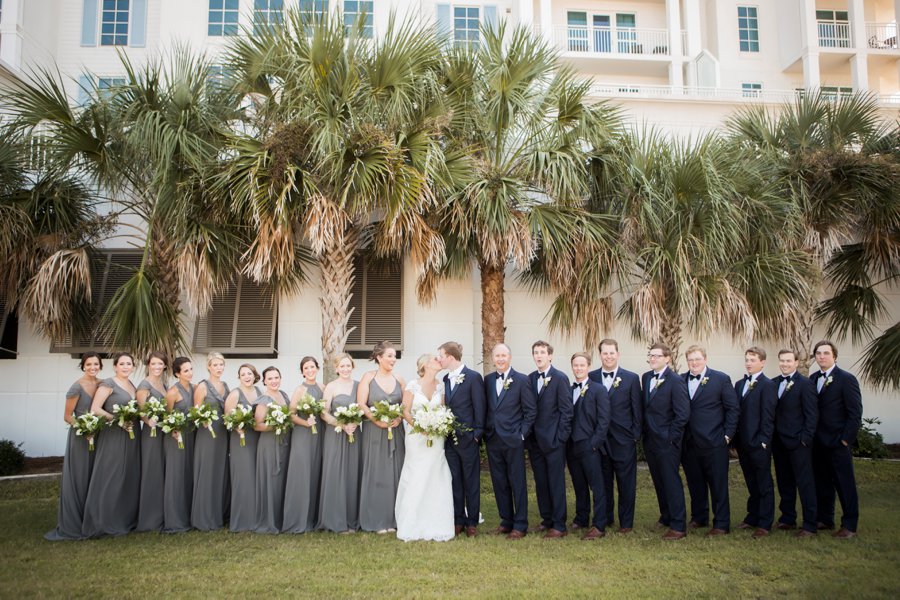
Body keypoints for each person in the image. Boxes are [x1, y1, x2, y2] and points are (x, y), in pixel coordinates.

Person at [394, 353, 455, 542]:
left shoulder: (441, 386)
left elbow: (443, 409)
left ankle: (438, 521)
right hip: (416, 437)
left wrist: (439, 424)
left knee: (436, 473)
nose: (440, 361)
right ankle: (412, 522)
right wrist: (420, 427)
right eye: (436, 360)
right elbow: (404, 411)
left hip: (436, 438)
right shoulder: (413, 385)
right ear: (426, 365)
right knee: (416, 474)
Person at [680, 345, 739, 536]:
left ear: (705, 359)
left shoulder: (720, 379)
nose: (694, 363)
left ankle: (721, 523)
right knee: (695, 482)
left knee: (718, 484)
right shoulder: (681, 379)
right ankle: (699, 517)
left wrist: (727, 435)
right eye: (690, 360)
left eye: (697, 359)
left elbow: (733, 409)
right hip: (689, 443)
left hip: (714, 442)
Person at [82, 352, 141, 538]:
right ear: (115, 366)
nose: (125, 366)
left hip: (132, 435)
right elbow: (95, 409)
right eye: (122, 364)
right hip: (114, 434)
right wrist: (117, 420)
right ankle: (101, 521)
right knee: (110, 475)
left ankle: (122, 518)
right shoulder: (108, 384)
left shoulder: (132, 385)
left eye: (129, 363)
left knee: (127, 476)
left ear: (133, 366)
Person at [45, 353, 102, 541]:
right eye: (89, 364)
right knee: (80, 476)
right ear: (83, 366)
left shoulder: (101, 384)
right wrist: (84, 429)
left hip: (99, 436)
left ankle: (93, 519)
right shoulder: (76, 387)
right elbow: (68, 416)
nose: (92, 367)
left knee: (95, 477)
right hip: (81, 437)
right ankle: (74, 522)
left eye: (96, 364)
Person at [588, 339, 642, 534]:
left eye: (612, 353)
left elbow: (637, 409)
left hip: (623, 440)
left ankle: (626, 523)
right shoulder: (591, 376)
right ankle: (606, 517)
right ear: (599, 355)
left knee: (626, 482)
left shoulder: (631, 378)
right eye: (605, 353)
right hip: (600, 441)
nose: (608, 356)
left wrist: (634, 436)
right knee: (603, 482)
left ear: (618, 354)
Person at [484, 343, 537, 540]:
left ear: (510, 357)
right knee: (499, 482)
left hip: (514, 439)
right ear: (492, 358)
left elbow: (530, 411)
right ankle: (506, 521)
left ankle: (520, 524)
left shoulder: (522, 380)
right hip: (493, 439)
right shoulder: (488, 380)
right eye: (497, 355)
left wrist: (522, 434)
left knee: (517, 482)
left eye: (503, 355)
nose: (500, 359)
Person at [810, 340, 862, 538]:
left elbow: (855, 413)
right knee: (822, 483)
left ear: (834, 356)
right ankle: (825, 518)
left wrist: (845, 440)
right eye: (818, 353)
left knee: (844, 484)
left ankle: (849, 525)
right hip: (818, 443)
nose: (821, 356)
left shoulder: (846, 379)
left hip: (838, 442)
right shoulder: (813, 379)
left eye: (825, 353)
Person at [641, 343, 690, 540]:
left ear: (667, 358)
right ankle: (666, 516)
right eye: (651, 356)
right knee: (659, 481)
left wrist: (671, 437)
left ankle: (678, 526)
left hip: (667, 442)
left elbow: (682, 414)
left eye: (657, 356)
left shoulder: (675, 381)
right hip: (650, 441)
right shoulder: (646, 378)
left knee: (671, 481)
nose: (653, 359)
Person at [437, 341, 485, 538]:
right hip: (450, 439)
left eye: (440, 355)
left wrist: (476, 434)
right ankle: (458, 520)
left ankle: (472, 521)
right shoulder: (446, 378)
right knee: (455, 481)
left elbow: (480, 406)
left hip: (468, 438)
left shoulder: (473, 377)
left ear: (450, 356)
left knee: (471, 481)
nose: (439, 359)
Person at [357, 341, 406, 533]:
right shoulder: (368, 377)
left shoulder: (400, 379)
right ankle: (375, 519)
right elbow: (362, 404)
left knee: (396, 473)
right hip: (374, 431)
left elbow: (405, 405)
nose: (393, 359)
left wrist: (399, 418)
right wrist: (377, 421)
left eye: (394, 356)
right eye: (390, 356)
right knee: (376, 473)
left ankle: (394, 519)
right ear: (379, 357)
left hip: (395, 432)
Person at [526, 341, 573, 538]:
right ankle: (546, 519)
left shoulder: (560, 378)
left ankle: (559, 524)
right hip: (535, 441)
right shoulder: (530, 378)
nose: (539, 356)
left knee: (555, 482)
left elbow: (566, 411)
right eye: (536, 352)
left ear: (550, 356)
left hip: (554, 441)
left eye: (542, 352)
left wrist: (560, 438)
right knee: (541, 481)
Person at [772, 349, 819, 537]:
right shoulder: (774, 383)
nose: (785, 364)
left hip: (799, 443)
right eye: (782, 360)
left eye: (788, 361)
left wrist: (805, 439)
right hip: (779, 442)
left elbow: (812, 414)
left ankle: (810, 524)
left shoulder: (805, 384)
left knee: (805, 483)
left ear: (797, 362)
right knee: (785, 482)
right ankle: (787, 518)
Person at [734, 346, 776, 538]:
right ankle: (753, 516)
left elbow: (768, 415)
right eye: (747, 360)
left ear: (762, 362)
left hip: (759, 443)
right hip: (743, 443)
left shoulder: (767, 385)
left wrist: (764, 440)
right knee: (751, 481)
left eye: (753, 360)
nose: (749, 363)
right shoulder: (740, 384)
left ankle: (765, 522)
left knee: (764, 482)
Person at [317, 354, 361, 533]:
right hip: (335, 434)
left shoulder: (358, 386)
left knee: (352, 472)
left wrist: (354, 423)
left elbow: (364, 408)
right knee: (335, 473)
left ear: (352, 366)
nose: (345, 369)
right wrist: (341, 424)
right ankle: (335, 520)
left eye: (348, 365)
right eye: (342, 366)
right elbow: (323, 412)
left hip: (354, 434)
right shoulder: (331, 387)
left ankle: (352, 519)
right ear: (336, 369)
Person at [569, 352, 611, 540]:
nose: (578, 368)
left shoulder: (598, 389)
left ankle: (599, 524)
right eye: (575, 365)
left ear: (588, 366)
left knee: (597, 486)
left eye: (582, 365)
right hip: (571, 446)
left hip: (590, 445)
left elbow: (604, 420)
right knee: (579, 484)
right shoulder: (570, 389)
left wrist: (594, 443)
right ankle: (581, 517)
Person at [282, 356, 325, 534]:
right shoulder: (299, 390)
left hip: (319, 434)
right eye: (306, 368)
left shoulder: (324, 388)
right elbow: (291, 414)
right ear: (302, 371)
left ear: (317, 368)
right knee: (302, 473)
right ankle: (297, 519)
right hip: (303, 434)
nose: (309, 370)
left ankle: (314, 517)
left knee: (316, 472)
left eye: (312, 367)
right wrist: (305, 423)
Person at [191, 352, 230, 531]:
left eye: (221, 365)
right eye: (215, 365)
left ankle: (218, 514)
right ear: (209, 367)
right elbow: (195, 411)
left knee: (220, 472)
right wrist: (203, 420)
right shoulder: (202, 386)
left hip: (223, 433)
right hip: (208, 433)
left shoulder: (225, 386)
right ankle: (203, 517)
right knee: (207, 471)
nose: (218, 368)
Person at [223, 363, 262, 532]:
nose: (247, 376)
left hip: (258, 438)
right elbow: (226, 418)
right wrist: (236, 426)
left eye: (250, 373)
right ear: (239, 377)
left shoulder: (260, 392)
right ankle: (242, 521)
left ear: (255, 375)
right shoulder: (235, 394)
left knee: (255, 477)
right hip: (241, 439)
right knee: (243, 477)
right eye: (243, 374)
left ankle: (256, 517)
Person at [253, 366, 292, 534]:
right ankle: (269, 521)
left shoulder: (283, 395)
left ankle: (282, 519)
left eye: (276, 377)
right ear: (264, 381)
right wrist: (275, 425)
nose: (274, 381)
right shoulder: (263, 399)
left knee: (283, 480)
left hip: (285, 441)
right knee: (271, 481)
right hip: (269, 444)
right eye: (270, 378)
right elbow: (257, 425)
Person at [136, 352, 168, 532]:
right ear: (148, 364)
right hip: (152, 433)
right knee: (152, 470)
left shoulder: (163, 384)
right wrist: (149, 421)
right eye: (154, 364)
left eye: (160, 364)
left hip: (164, 431)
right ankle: (149, 518)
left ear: (164, 366)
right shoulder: (144, 385)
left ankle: (162, 513)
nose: (157, 367)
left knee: (161, 470)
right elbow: (141, 411)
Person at [162, 357, 195, 533]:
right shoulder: (173, 392)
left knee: (188, 474)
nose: (189, 373)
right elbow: (166, 417)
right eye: (185, 371)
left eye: (190, 369)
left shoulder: (194, 388)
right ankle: (174, 520)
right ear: (177, 373)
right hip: (176, 438)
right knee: (176, 476)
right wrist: (173, 430)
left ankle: (188, 515)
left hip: (191, 436)